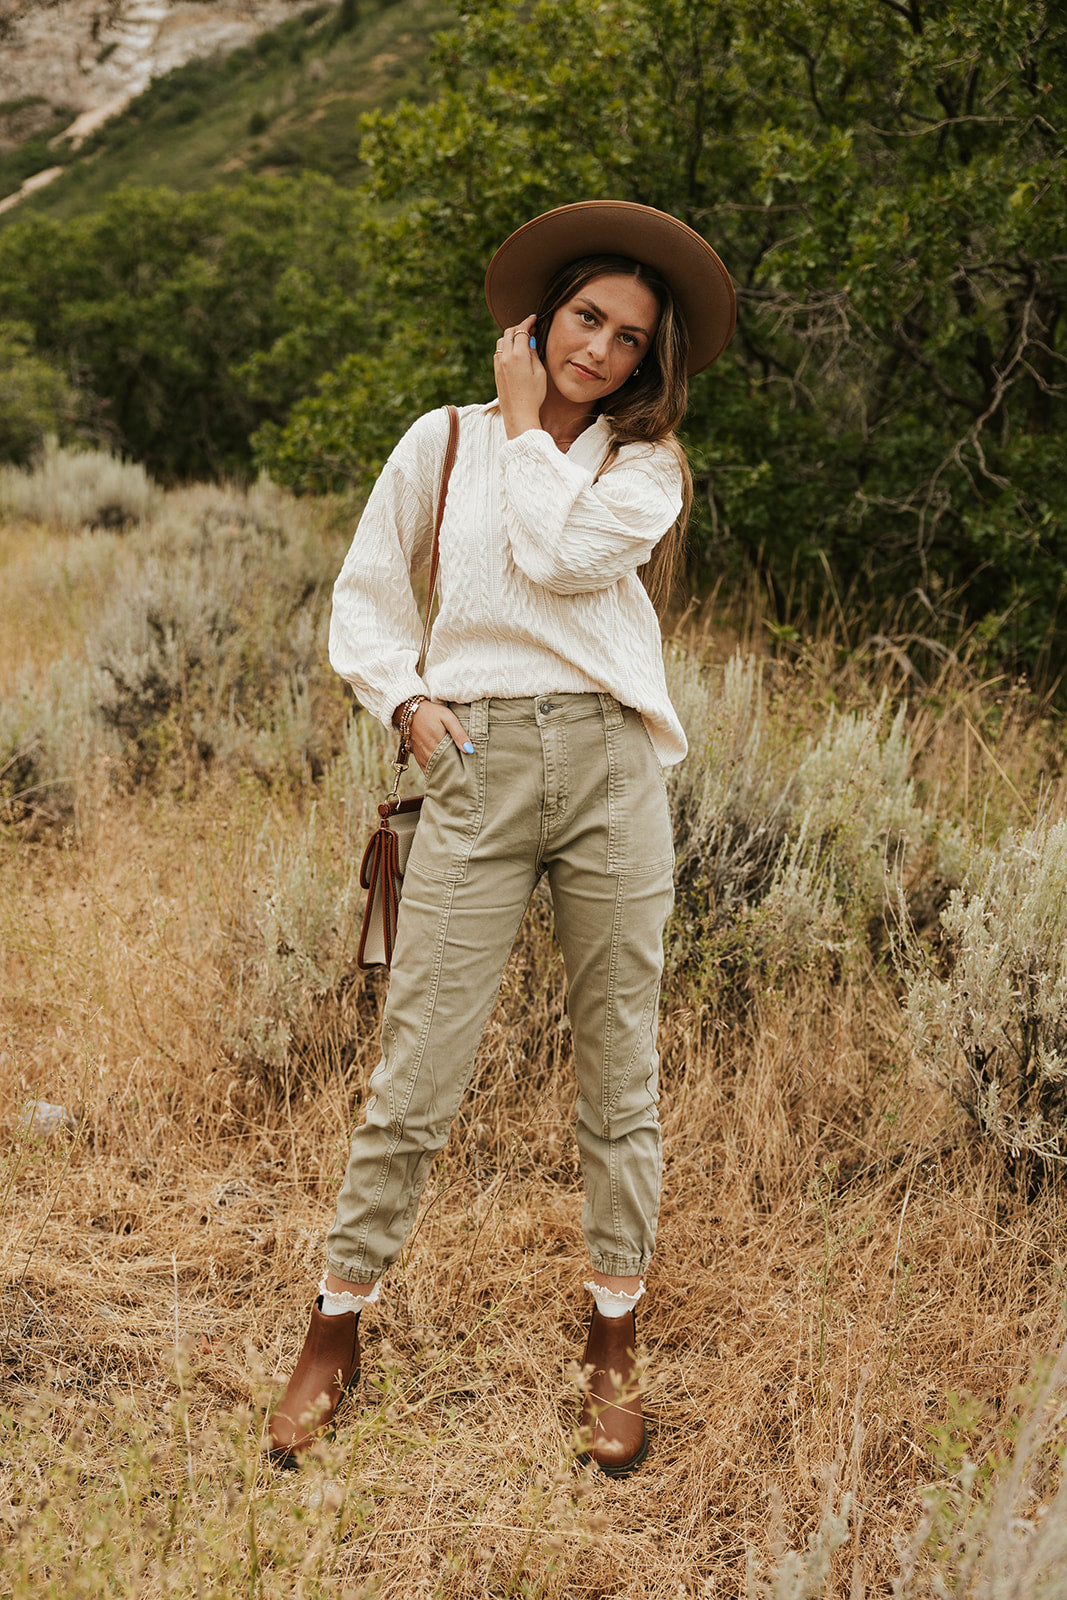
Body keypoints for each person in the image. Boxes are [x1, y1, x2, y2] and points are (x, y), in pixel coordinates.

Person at [268, 200, 735, 1478]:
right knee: (417, 1059)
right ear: (541, 317)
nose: (600, 350)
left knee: (618, 1063)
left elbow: (557, 554)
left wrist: (528, 423)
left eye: (629, 339)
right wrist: (405, 702)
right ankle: (335, 1324)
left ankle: (613, 1333)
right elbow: (367, 593)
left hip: (608, 767)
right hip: (472, 762)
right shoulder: (442, 439)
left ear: (649, 361)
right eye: (586, 318)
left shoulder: (643, 470)